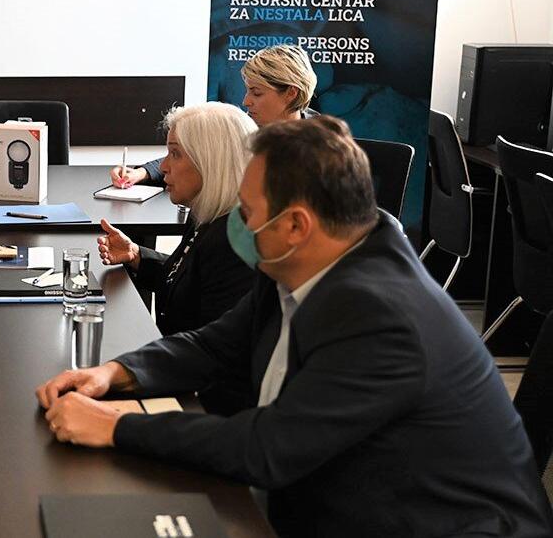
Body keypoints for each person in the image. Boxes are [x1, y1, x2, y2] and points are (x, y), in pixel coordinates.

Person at [37, 116, 553, 537]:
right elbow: (217, 344)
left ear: (296, 224)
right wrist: (113, 374)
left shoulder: (382, 317)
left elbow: (270, 448)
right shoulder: (298, 260)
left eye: (246, 209)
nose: (236, 220)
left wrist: (116, 426)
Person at [96, 103, 257, 414]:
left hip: (204, 409)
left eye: (175, 154)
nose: (164, 167)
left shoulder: (239, 242)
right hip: (183, 384)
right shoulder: (208, 217)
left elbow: (214, 357)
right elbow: (187, 280)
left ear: (212, 161)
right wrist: (136, 255)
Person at [112, 44, 318, 188]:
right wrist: (140, 173)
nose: (246, 101)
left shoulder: (328, 151)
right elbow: (193, 154)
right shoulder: (245, 129)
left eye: (257, 93)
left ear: (291, 93)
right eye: (247, 91)